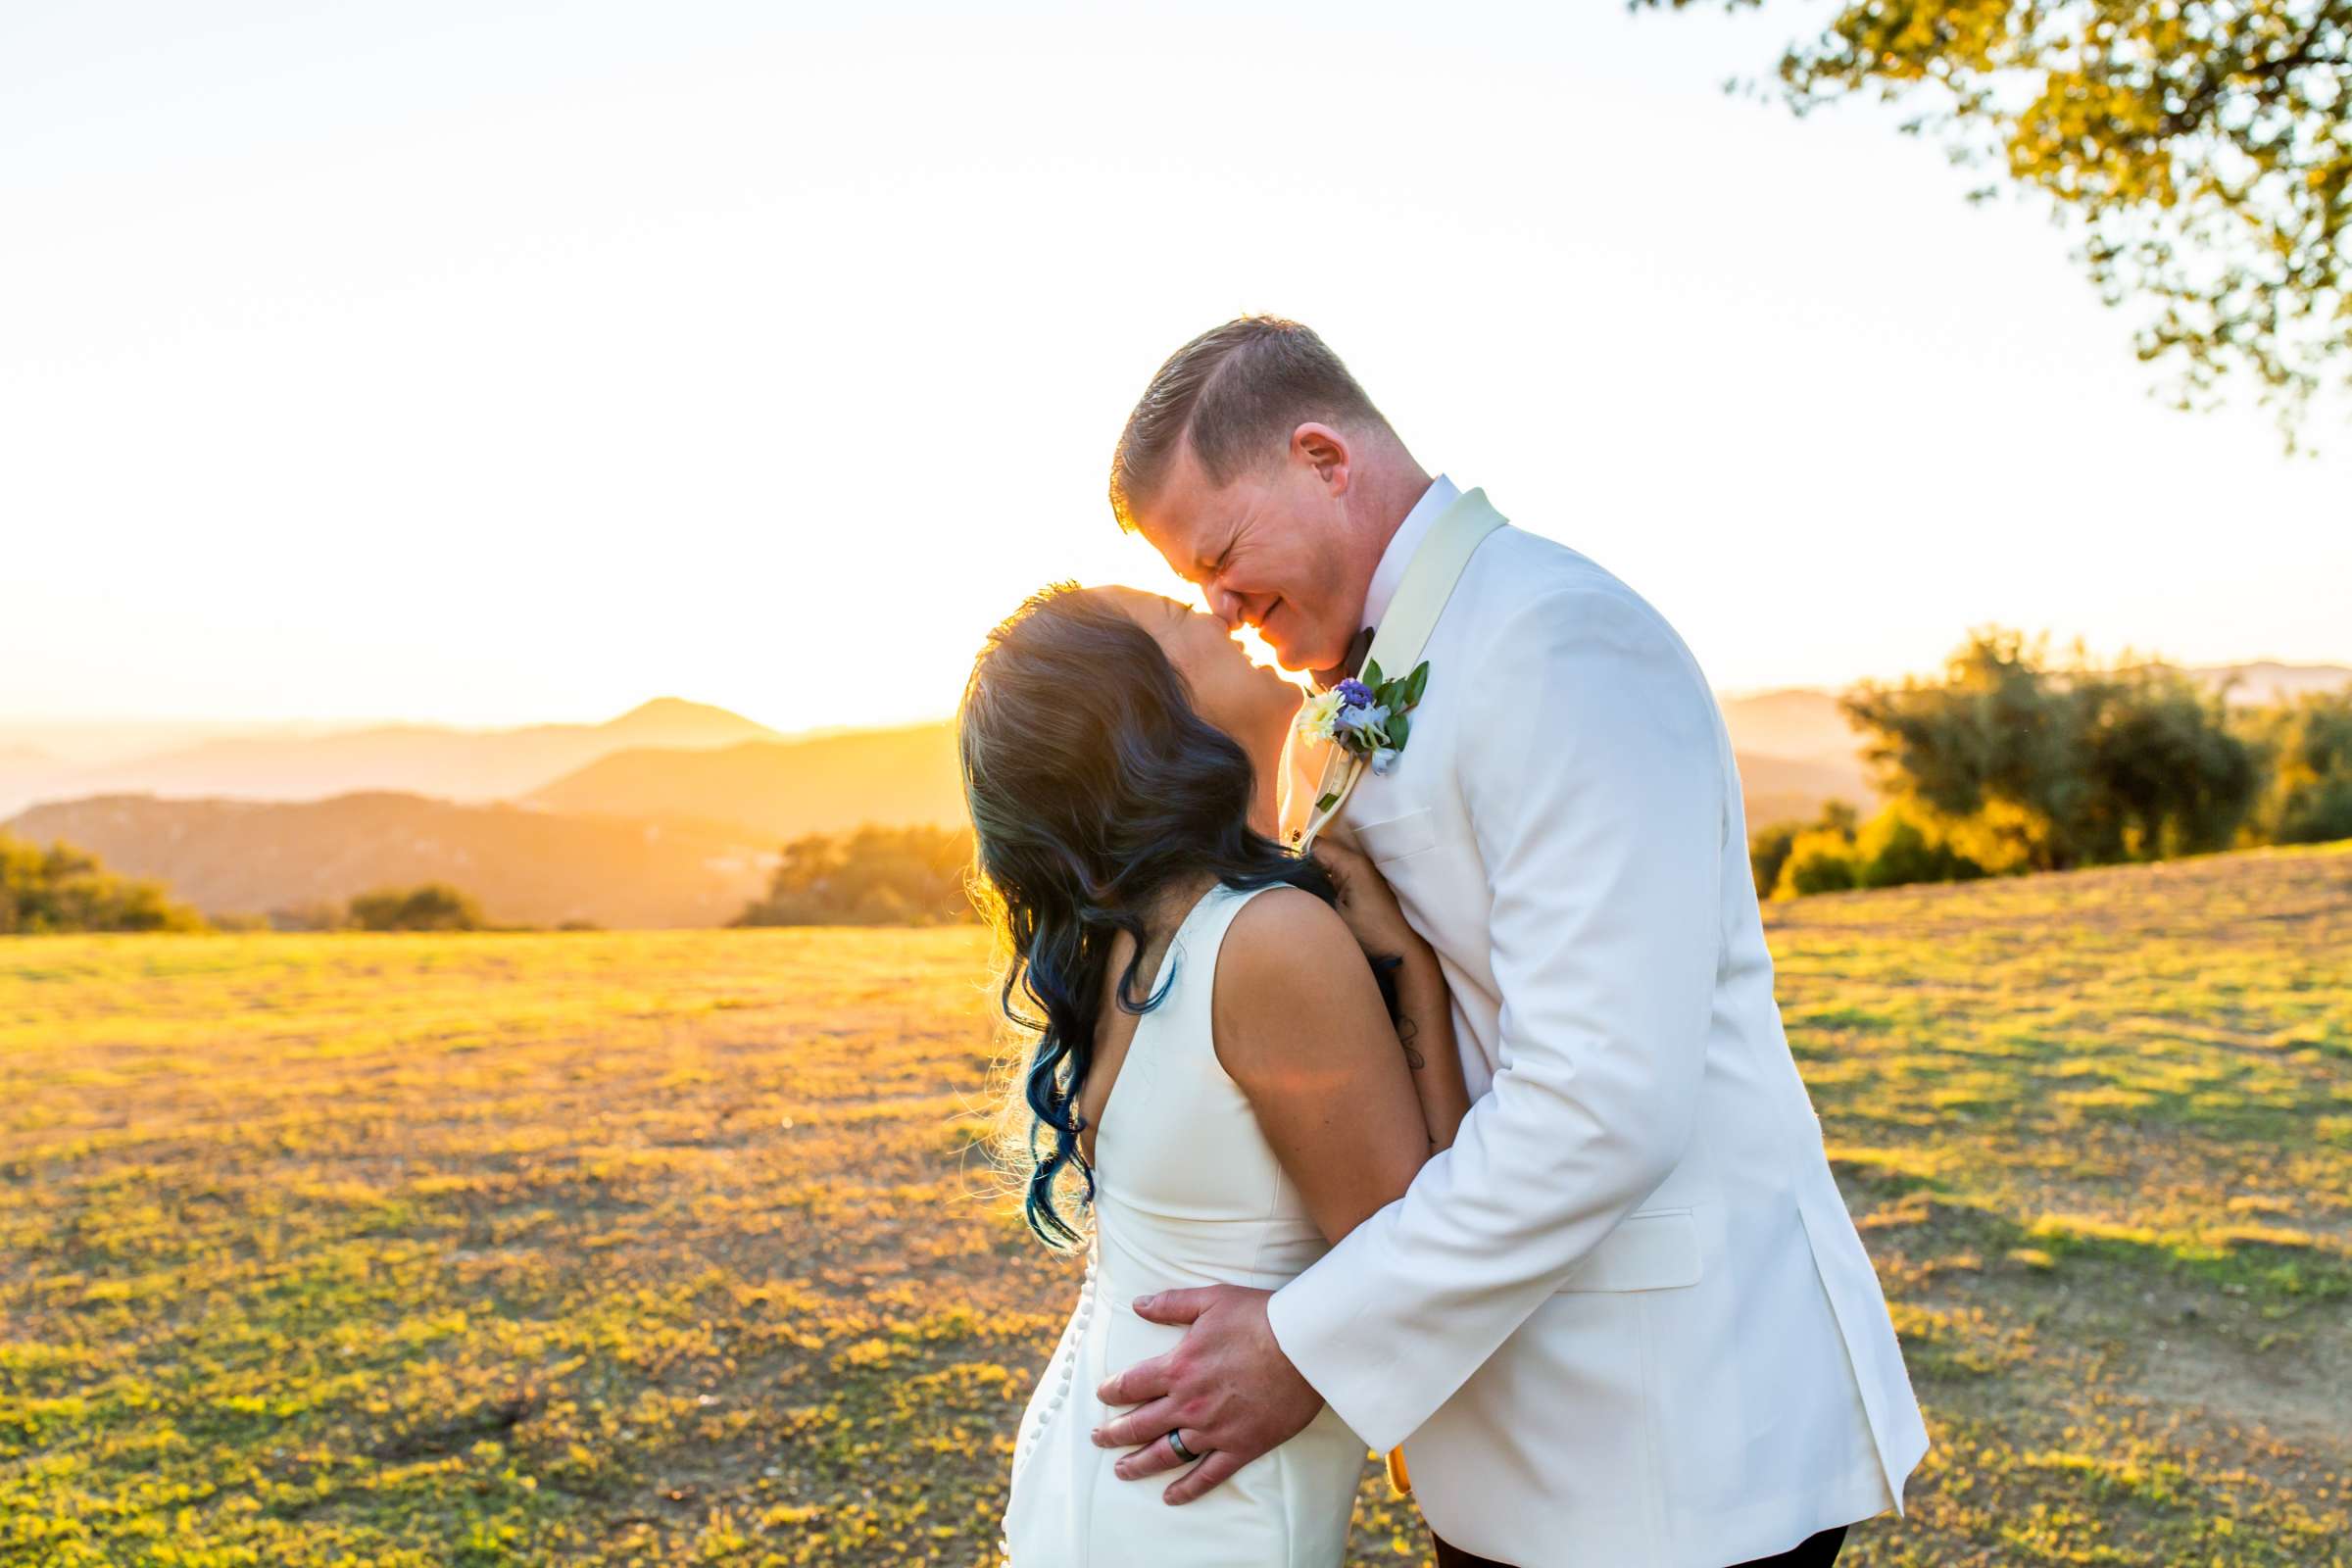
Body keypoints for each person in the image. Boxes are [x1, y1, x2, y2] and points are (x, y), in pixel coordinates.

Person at [1084, 317, 1931, 1568]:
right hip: (1504, 1426)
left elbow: (1600, 1104)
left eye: (1221, 554)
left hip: (1660, 1437)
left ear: (1323, 456)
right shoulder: (1331, 718)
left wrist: (1307, 1338)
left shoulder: (1559, 637)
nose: (1218, 604)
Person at [961, 582, 1472, 1565]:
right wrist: (1413, 972)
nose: (1220, 615)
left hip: (1105, 1471)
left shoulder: (1127, 934)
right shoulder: (1269, 941)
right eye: (1177, 618)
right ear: (1148, 713)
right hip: (1197, 1504)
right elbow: (1417, 1252)